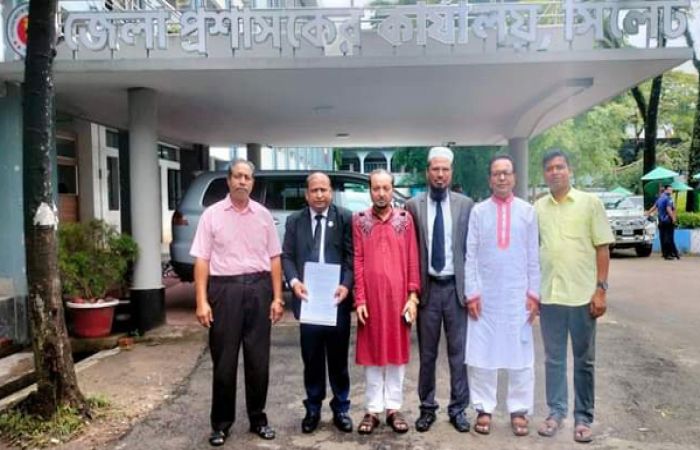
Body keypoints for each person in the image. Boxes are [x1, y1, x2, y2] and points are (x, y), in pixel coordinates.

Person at [190, 160, 284, 446]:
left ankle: (258, 419)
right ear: (228, 180)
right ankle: (221, 424)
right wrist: (201, 301)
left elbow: (274, 258)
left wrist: (277, 297)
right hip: (225, 291)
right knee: (224, 361)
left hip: (259, 289)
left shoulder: (264, 215)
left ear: (252, 182)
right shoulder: (211, 215)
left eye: (247, 177)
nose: (242, 181)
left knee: (258, 360)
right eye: (237, 176)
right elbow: (202, 260)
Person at [534, 149, 614, 443]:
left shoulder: (590, 203)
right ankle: (555, 413)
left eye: (560, 167)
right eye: (550, 168)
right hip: (550, 296)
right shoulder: (538, 208)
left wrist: (601, 290)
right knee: (553, 359)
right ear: (544, 174)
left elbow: (602, 248)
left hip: (582, 297)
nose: (555, 172)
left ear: (570, 170)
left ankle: (583, 418)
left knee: (584, 361)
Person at [464, 154, 540, 437]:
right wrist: (472, 293)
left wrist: (534, 294)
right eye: (497, 173)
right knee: (483, 353)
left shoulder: (527, 212)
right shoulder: (478, 212)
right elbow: (470, 255)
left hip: (517, 295)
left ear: (515, 177)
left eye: (506, 172)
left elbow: (533, 256)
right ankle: (483, 409)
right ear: (490, 179)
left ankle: (519, 410)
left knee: (521, 354)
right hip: (486, 296)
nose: (502, 178)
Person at [406, 146, 474, 433]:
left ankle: (458, 409)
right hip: (428, 290)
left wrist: (473, 289)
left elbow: (472, 250)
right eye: (435, 169)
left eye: (445, 170)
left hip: (456, 290)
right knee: (427, 355)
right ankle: (427, 408)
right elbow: (409, 251)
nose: (440, 175)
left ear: (451, 173)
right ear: (427, 172)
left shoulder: (465, 205)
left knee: (459, 354)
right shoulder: (413, 206)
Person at [281, 172, 354, 434]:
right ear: (307, 194)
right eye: (315, 190)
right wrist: (294, 281)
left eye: (324, 189)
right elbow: (287, 256)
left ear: (331, 192)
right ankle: (313, 408)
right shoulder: (294, 220)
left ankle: (341, 408)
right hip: (309, 301)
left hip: (336, 301)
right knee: (311, 359)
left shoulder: (345, 218)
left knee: (338, 360)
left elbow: (351, 257)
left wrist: (346, 284)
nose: (320, 195)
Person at [353, 169, 420, 435]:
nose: (381, 193)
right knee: (371, 355)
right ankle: (372, 410)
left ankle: (393, 408)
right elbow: (358, 259)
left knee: (396, 354)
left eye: (386, 188)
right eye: (376, 188)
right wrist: (360, 299)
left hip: (398, 299)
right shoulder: (360, 220)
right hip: (371, 299)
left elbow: (412, 258)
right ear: (369, 190)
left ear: (393, 190)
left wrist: (413, 296)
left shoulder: (405, 220)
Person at [649, 185, 680, 260]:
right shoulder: (668, 198)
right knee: (669, 238)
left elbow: (654, 207)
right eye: (669, 190)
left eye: (671, 190)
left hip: (661, 221)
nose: (671, 191)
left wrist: (647, 213)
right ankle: (670, 254)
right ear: (666, 190)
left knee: (662, 237)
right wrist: (673, 218)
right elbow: (669, 209)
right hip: (668, 221)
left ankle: (667, 253)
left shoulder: (660, 198)